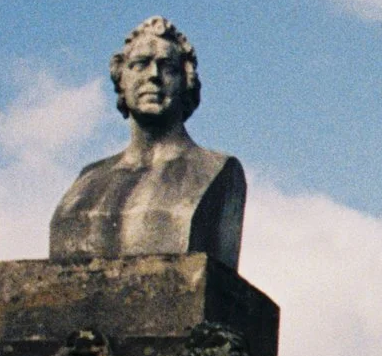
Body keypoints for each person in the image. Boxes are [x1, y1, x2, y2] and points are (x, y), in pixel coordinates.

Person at [49, 17, 246, 267]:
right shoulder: (88, 180)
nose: (154, 75)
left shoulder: (217, 171)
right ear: (121, 78)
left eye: (168, 67)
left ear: (186, 82)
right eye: (141, 64)